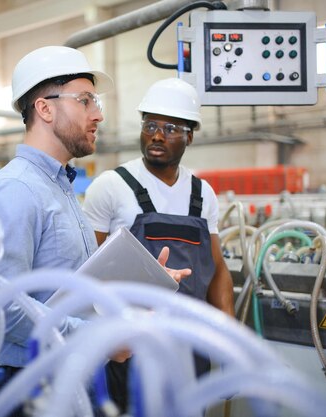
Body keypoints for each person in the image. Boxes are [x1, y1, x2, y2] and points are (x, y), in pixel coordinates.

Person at [0, 46, 188, 415]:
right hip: (35, 388)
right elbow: (2, 309)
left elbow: (68, 289)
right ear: (45, 108)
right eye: (86, 100)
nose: (98, 114)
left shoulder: (59, 185)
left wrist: (141, 283)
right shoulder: (16, 190)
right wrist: (101, 339)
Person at [82, 77, 235, 411]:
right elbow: (85, 270)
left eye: (170, 128)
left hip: (188, 345)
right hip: (128, 347)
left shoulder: (202, 193)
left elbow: (218, 269)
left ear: (189, 135)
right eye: (150, 125)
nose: (156, 135)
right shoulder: (111, 186)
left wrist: (229, 337)